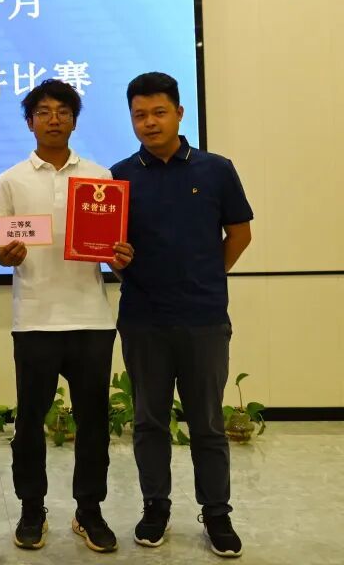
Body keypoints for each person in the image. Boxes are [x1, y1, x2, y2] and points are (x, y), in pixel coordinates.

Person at [110, 72, 252, 559]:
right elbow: (111, 250)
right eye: (139, 115)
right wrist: (120, 261)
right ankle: (155, 507)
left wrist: (207, 275)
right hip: (143, 318)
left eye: (158, 112)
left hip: (203, 318)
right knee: (149, 421)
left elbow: (240, 233)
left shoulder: (216, 169)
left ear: (179, 113)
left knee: (207, 423)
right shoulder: (119, 176)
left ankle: (216, 513)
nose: (149, 122)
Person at [0, 79, 133, 553]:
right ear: (29, 122)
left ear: (74, 120)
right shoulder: (10, 179)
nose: (54, 119)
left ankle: (89, 511)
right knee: (30, 421)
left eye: (63, 111)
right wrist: (6, 254)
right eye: (44, 112)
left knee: (93, 421)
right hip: (34, 318)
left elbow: (112, 244)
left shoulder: (98, 176)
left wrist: (119, 254)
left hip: (91, 317)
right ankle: (32, 509)